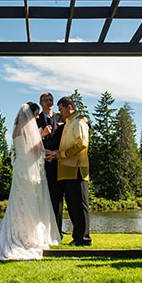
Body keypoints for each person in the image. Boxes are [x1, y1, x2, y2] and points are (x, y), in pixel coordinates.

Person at [0, 102, 61, 260]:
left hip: (20, 171)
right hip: (29, 172)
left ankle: (18, 232)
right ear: (30, 115)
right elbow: (37, 150)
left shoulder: (16, 129)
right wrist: (51, 150)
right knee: (30, 203)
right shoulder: (29, 130)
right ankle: (27, 236)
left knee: (19, 202)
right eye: (36, 114)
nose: (37, 117)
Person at [46, 96, 91, 246]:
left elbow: (81, 144)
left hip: (76, 170)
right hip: (66, 170)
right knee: (73, 206)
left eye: (61, 109)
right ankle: (77, 237)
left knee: (80, 205)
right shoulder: (69, 122)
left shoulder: (78, 122)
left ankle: (84, 239)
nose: (60, 112)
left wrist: (62, 154)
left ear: (69, 106)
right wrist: (56, 154)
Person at [36, 92, 64, 235]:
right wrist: (46, 155)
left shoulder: (60, 118)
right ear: (40, 103)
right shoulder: (36, 120)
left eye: (51, 100)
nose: (49, 103)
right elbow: (32, 142)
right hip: (41, 163)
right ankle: (43, 231)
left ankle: (57, 231)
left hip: (58, 163)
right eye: (46, 100)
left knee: (57, 198)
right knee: (42, 198)